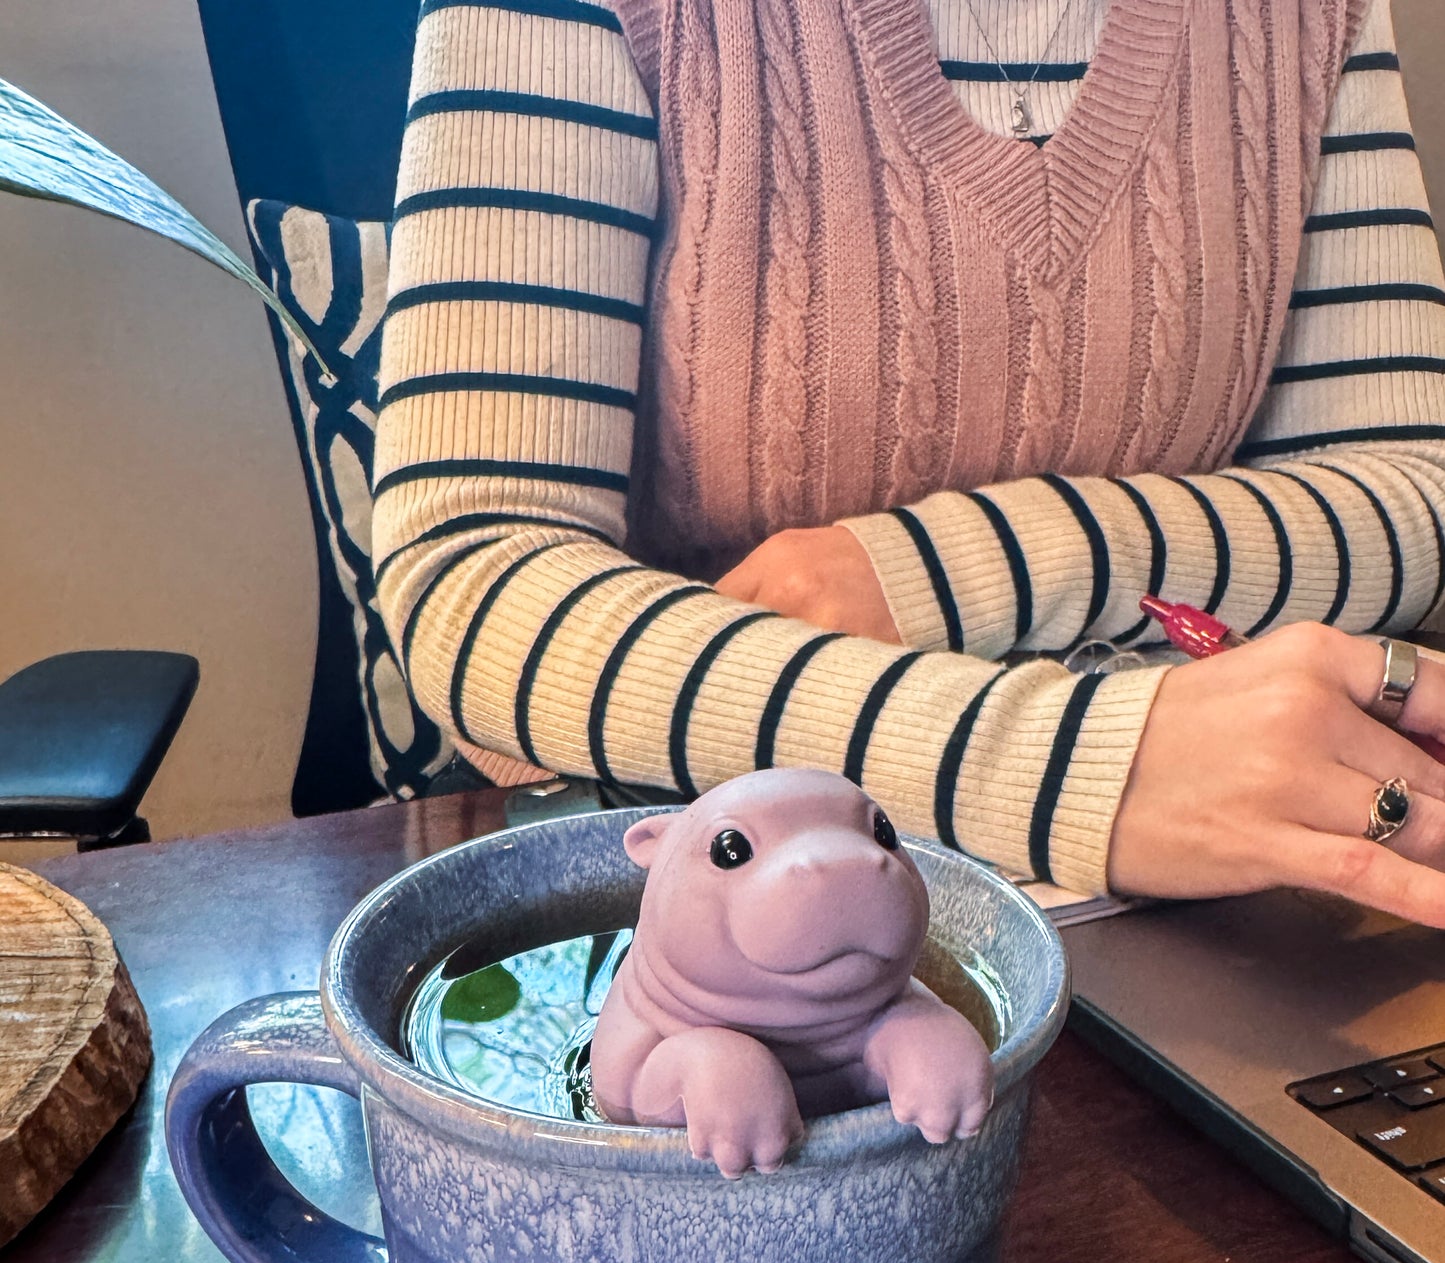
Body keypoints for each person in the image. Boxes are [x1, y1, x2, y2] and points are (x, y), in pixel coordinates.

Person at [373, 0, 1445, 925]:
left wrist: (950, 569)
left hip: (1202, 888)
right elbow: (473, 577)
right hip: (707, 917)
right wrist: (1058, 765)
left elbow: (1409, 491)